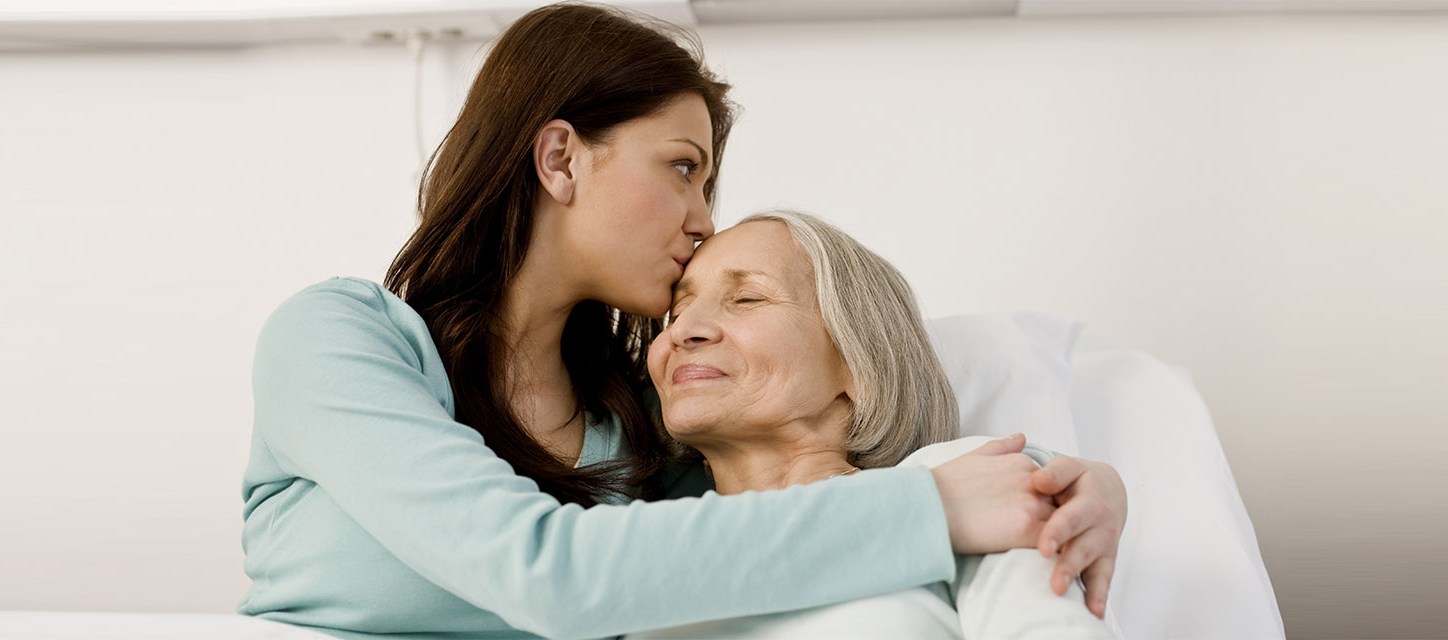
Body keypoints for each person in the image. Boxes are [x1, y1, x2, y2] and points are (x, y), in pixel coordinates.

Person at [237, 4, 1128, 639]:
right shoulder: (338, 338)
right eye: (683, 168)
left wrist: (1061, 482)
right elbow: (551, 573)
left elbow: (779, 511)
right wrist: (935, 507)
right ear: (560, 158)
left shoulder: (639, 439)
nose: (702, 215)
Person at [629, 211, 1119, 639]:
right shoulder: (647, 565)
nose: (683, 331)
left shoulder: (957, 483)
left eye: (748, 298)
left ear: (859, 364)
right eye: (677, 310)